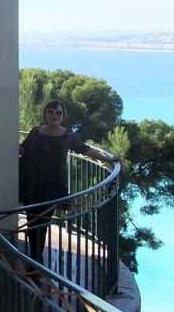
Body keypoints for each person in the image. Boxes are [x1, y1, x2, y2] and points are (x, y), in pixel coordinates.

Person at [19, 99, 118, 262]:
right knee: (32, 220)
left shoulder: (67, 135)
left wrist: (108, 159)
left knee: (42, 222)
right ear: (45, 113)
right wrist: (6, 145)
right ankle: (34, 258)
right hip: (31, 183)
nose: (54, 115)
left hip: (52, 186)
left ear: (63, 116)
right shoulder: (36, 131)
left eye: (58, 112)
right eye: (50, 111)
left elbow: (85, 149)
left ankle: (36, 258)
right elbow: (24, 148)